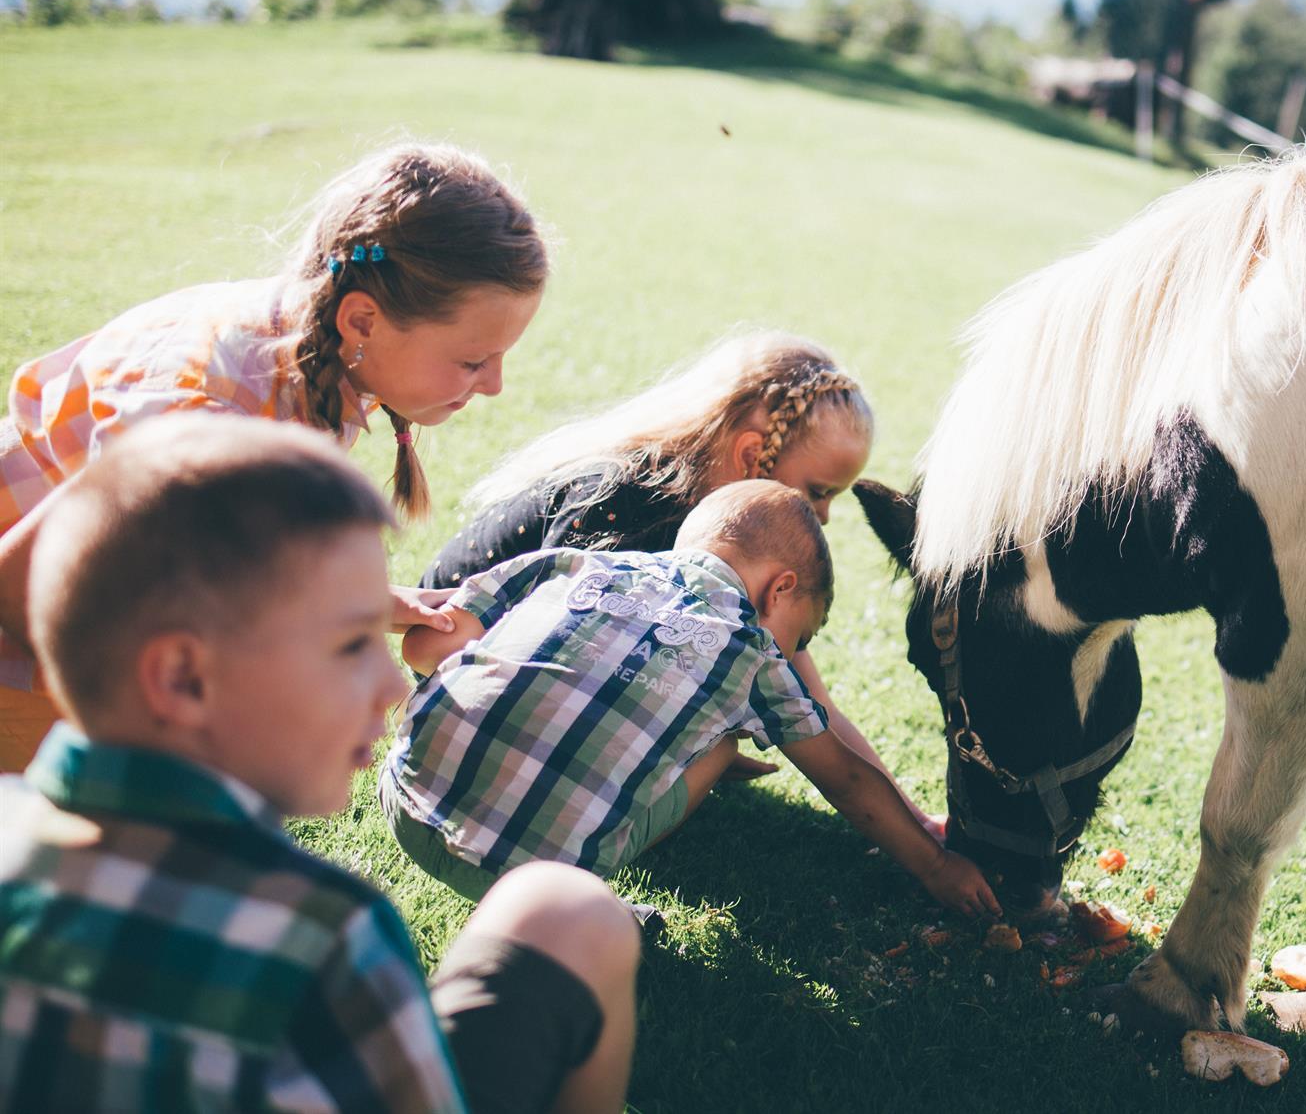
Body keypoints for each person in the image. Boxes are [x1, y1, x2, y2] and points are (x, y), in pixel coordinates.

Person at [0, 418, 637, 1113]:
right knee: (569, 910)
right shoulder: (318, 936)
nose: (391, 685)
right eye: (351, 645)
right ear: (183, 677)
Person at [0, 142, 550, 772]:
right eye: (473, 360)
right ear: (363, 322)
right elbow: (42, 585)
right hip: (33, 666)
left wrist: (369, 601)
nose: (494, 385)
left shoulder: (320, 356)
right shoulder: (198, 417)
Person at [384, 480, 1000, 918]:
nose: (790, 652)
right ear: (779, 590)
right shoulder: (753, 654)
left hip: (406, 802)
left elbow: (430, 644)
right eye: (800, 637)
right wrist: (936, 866)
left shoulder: (572, 564)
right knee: (724, 740)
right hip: (539, 882)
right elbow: (845, 778)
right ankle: (599, 906)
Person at [422, 332, 928, 814]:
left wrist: (915, 819)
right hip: (461, 667)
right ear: (752, 455)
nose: (823, 517)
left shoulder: (738, 555)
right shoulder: (623, 503)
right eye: (816, 492)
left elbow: (815, 705)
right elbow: (550, 648)